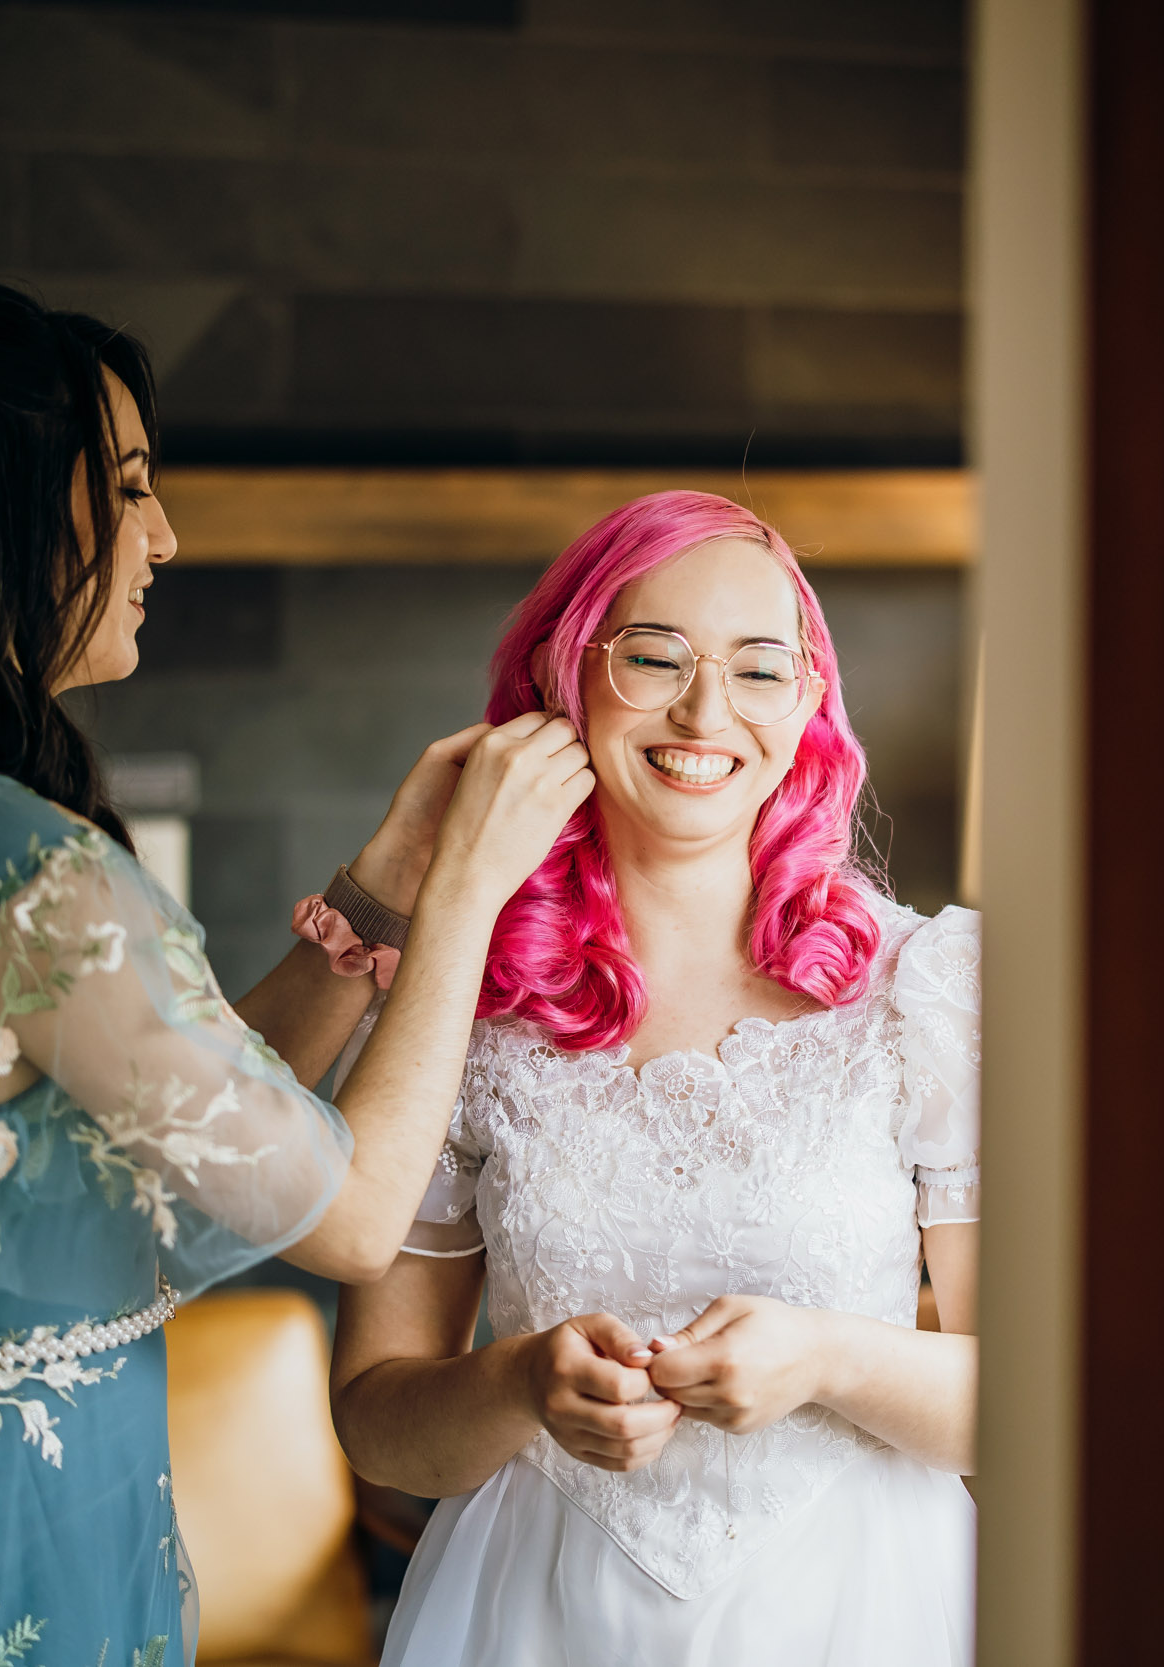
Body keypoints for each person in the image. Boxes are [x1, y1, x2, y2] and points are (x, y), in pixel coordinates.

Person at [0, 274, 590, 1666]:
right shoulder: (29, 872)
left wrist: (382, 884)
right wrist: (470, 885)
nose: (165, 536)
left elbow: (193, 1113)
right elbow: (345, 1216)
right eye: (132, 486)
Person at [332, 491, 980, 1666]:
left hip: (864, 1609)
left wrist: (832, 1357)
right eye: (654, 655)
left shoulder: (925, 992)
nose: (704, 709)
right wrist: (521, 1380)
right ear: (563, 680)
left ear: (810, 706)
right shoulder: (461, 1006)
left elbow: (1032, 1402)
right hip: (535, 1616)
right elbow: (378, 1421)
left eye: (759, 669)